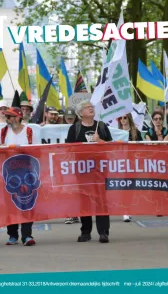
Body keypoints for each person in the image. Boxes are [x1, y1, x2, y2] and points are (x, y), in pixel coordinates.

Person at [66, 100, 112, 243]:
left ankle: (103, 231)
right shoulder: (75, 129)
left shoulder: (102, 126)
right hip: (83, 170)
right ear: (80, 114)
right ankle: (85, 231)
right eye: (87, 107)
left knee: (101, 200)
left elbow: (111, 146)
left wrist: (100, 142)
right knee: (85, 199)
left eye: (91, 107)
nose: (91, 109)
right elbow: (68, 148)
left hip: (100, 169)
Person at [0, 107, 38, 246]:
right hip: (10, 173)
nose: (8, 119)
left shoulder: (29, 132)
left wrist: (19, 148)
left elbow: (38, 150)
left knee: (27, 204)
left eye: (11, 116)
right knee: (10, 204)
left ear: (19, 117)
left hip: (27, 172)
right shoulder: (3, 132)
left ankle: (27, 235)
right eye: (7, 117)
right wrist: (0, 148)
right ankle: (12, 235)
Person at [118, 113, 142, 222]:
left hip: (132, 163)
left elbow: (141, 147)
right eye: (120, 118)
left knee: (130, 187)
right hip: (120, 163)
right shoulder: (116, 132)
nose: (123, 120)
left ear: (129, 118)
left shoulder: (135, 132)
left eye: (125, 117)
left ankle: (127, 209)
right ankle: (124, 209)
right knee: (122, 186)